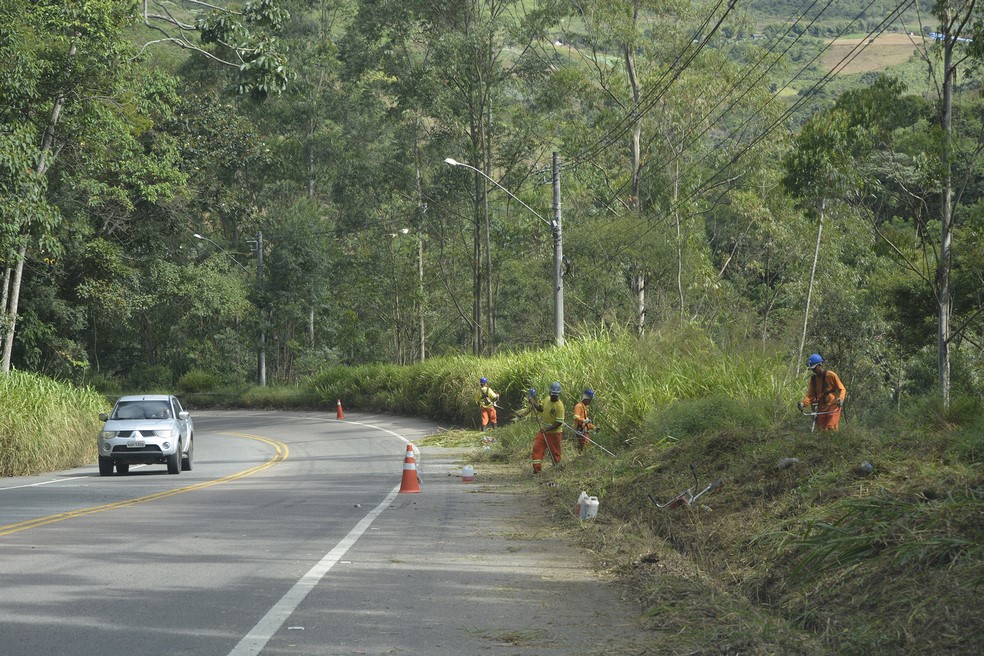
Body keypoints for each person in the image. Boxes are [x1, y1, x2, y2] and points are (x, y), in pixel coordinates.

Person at [798, 354, 846, 431]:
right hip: (821, 409)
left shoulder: (831, 375)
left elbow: (842, 389)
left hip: (832, 407)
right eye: (812, 369)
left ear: (820, 365)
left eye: (814, 368)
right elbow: (810, 395)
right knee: (821, 431)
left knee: (831, 429)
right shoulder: (813, 379)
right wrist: (803, 404)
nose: (813, 370)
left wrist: (840, 399)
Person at [531, 381, 565, 473]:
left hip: (554, 433)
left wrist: (547, 429)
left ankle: (557, 470)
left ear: (559, 394)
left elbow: (559, 422)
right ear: (549, 393)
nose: (554, 397)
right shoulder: (546, 399)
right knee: (537, 448)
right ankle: (537, 469)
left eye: (556, 395)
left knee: (555, 453)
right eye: (553, 394)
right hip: (544, 432)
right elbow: (540, 409)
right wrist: (533, 402)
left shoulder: (560, 406)